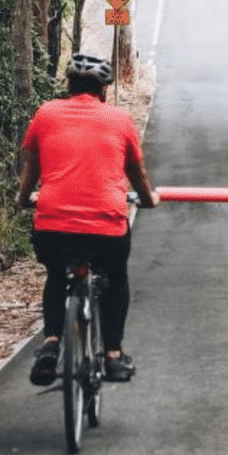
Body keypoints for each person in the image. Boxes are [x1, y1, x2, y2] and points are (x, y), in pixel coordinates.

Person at [16, 52, 161, 386]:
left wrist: (23, 200)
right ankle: (112, 354)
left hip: (52, 223)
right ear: (104, 89)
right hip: (105, 225)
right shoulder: (120, 119)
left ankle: (51, 343)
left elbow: (32, 167)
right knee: (116, 276)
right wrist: (149, 199)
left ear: (68, 85)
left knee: (55, 274)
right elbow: (136, 172)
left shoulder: (46, 112)